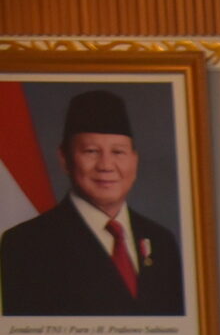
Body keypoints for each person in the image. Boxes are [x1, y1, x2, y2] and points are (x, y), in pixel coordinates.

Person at [0, 89, 186, 317]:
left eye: (118, 152)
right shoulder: (26, 244)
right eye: (91, 151)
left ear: (134, 161)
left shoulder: (162, 241)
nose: (106, 165)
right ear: (64, 159)